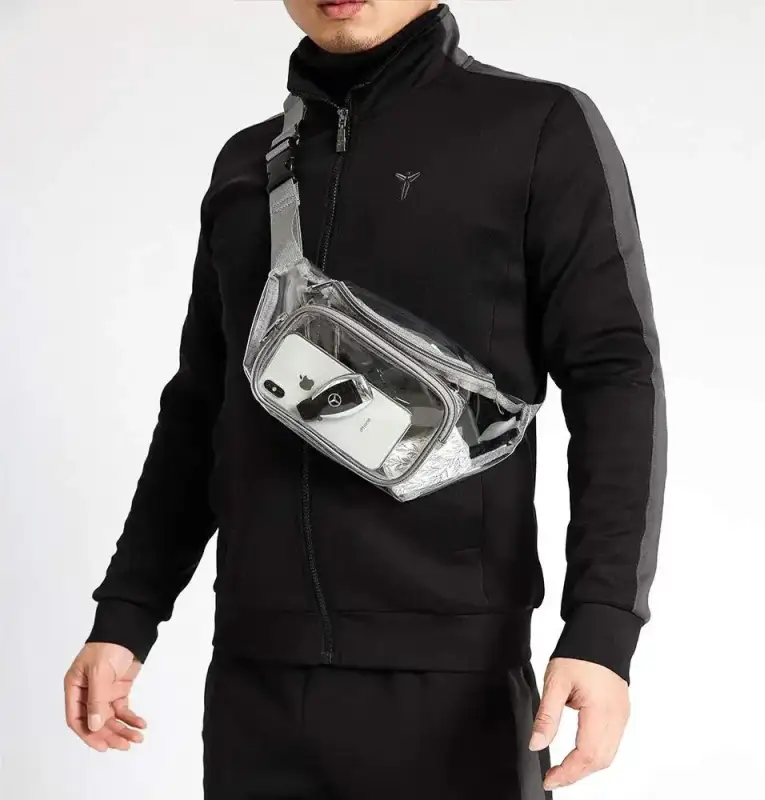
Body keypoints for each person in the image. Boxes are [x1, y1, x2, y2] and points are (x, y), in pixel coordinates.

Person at [63, 2, 667, 798]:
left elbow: (615, 378)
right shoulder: (248, 163)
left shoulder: (535, 129)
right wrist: (126, 613)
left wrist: (602, 630)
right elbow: (201, 407)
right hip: (256, 682)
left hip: (454, 688)